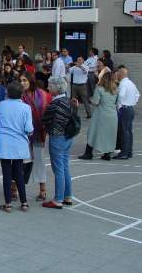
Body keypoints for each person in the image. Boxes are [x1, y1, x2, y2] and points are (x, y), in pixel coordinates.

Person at [0, 81, 33, 213]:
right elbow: (29, 129)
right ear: (22, 94)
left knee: (6, 173)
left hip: (5, 142)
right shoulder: (26, 108)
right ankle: (24, 203)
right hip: (19, 143)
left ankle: (8, 204)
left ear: (8, 93)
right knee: (19, 173)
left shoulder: (2, 105)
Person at [42, 76, 75, 209]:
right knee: (65, 166)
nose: (48, 87)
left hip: (57, 137)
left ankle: (58, 199)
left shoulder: (54, 104)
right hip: (68, 136)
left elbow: (45, 120)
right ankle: (68, 196)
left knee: (58, 169)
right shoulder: (68, 101)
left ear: (56, 87)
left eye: (50, 85)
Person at [19, 72, 51, 201]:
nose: (22, 83)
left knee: (39, 160)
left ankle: (43, 190)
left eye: (24, 80)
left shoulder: (43, 95)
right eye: (20, 80)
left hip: (39, 133)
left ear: (31, 81)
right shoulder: (18, 94)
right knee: (20, 161)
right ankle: (14, 188)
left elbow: (50, 110)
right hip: (22, 135)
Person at [79, 72, 118, 161]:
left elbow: (95, 102)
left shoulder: (99, 88)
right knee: (110, 134)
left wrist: (90, 98)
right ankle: (107, 154)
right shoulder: (116, 89)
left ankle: (88, 153)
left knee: (93, 132)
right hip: (112, 114)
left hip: (101, 114)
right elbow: (116, 102)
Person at [114, 66, 139, 160]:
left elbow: (120, 96)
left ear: (121, 74)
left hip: (124, 109)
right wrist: (132, 103)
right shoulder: (131, 83)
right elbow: (137, 94)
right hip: (130, 108)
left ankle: (124, 153)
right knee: (128, 131)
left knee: (124, 131)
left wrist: (118, 106)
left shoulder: (123, 84)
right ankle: (128, 152)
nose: (117, 75)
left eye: (117, 73)